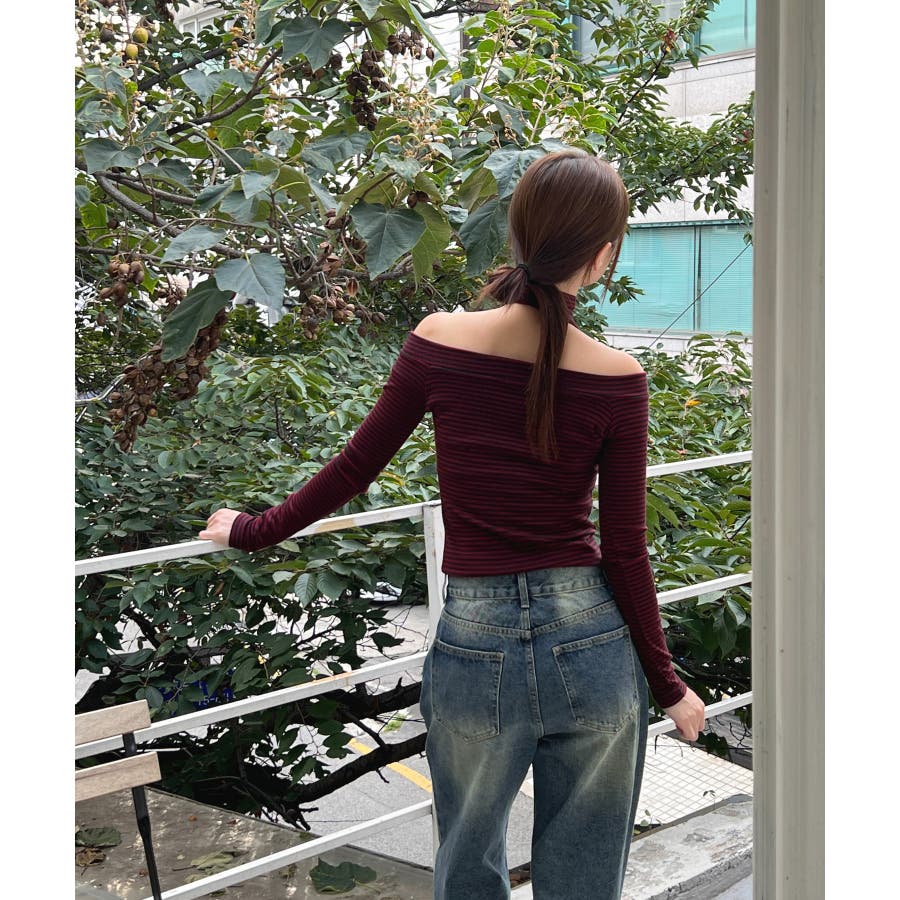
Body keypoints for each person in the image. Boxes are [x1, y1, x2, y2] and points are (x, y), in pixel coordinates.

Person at [199, 147, 706, 899]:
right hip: (592, 644)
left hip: (477, 642)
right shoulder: (620, 378)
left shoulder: (439, 339)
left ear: (517, 234)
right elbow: (626, 551)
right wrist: (668, 687)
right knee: (586, 879)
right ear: (603, 257)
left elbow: (354, 469)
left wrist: (251, 530)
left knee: (466, 865)